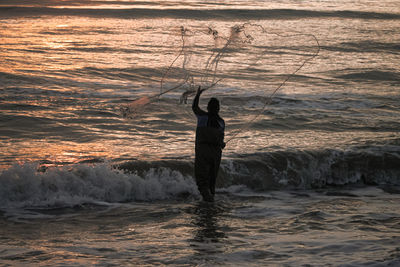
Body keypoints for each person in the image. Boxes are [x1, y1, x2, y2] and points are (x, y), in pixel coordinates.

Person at [192, 86, 225, 202]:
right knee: (212, 181)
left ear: (208, 107)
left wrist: (198, 94)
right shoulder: (221, 123)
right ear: (218, 109)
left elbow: (194, 107)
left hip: (203, 152)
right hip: (216, 154)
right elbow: (221, 142)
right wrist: (222, 144)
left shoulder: (202, 117)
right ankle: (211, 203)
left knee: (202, 182)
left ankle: (209, 203)